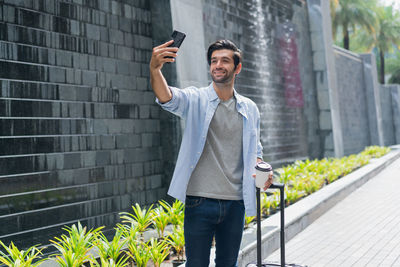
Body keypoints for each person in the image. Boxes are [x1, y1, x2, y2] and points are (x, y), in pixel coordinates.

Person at [149, 39, 273, 267]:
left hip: (235, 202)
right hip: (199, 200)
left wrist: (262, 169)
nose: (218, 65)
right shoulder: (196, 99)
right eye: (214, 61)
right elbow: (167, 97)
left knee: (228, 264)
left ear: (237, 67)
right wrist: (155, 69)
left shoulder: (250, 108)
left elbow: (256, 150)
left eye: (225, 61)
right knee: (196, 264)